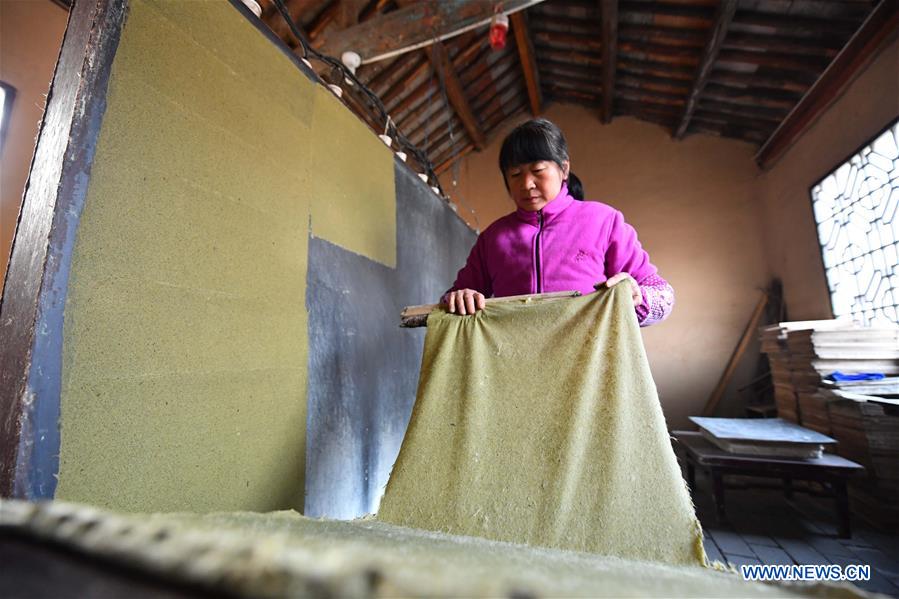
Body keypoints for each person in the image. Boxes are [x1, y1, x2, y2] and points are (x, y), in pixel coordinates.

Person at [443, 118, 674, 327]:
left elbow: (662, 295)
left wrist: (638, 297)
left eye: (537, 170)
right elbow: (454, 298)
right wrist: (460, 297)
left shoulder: (604, 221)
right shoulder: (493, 239)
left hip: (590, 365)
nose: (526, 184)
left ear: (564, 169)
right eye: (515, 174)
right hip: (518, 367)